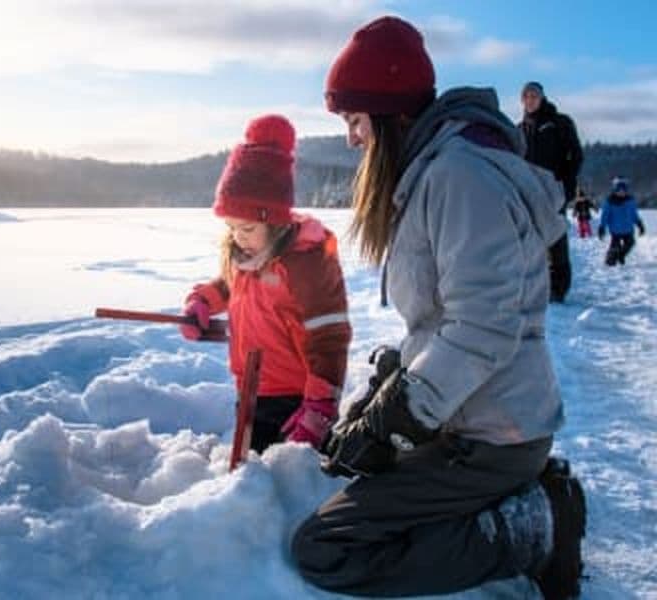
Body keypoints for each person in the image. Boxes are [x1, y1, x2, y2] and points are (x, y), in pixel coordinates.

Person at [290, 16, 586, 600]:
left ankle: (537, 528)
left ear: (391, 115)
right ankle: (514, 500)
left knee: (328, 548)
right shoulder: (432, 173)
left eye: (354, 120)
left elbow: (483, 325)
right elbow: (445, 319)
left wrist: (399, 415)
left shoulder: (458, 176)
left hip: (493, 436)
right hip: (468, 418)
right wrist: (391, 383)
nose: (351, 138)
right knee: (349, 468)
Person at [180, 114, 352, 454]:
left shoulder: (306, 264)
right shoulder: (247, 258)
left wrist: (319, 408)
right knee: (248, 477)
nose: (237, 238)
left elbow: (329, 338)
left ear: (274, 222)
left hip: (296, 400)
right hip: (250, 389)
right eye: (231, 228)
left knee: (289, 483)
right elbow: (230, 287)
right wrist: (202, 302)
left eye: (246, 229)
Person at [519, 81, 584, 303]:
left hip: (554, 190)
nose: (530, 100)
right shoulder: (519, 129)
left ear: (542, 98)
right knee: (530, 240)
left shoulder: (560, 123)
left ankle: (558, 289)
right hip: (528, 192)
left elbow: (575, 156)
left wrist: (565, 184)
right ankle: (534, 285)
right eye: (526, 96)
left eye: (534, 96)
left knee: (556, 238)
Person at [598, 176, 646, 266]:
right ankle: (610, 260)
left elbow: (634, 214)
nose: (621, 192)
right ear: (615, 190)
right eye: (618, 190)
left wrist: (640, 224)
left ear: (626, 190)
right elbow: (605, 216)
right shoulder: (610, 201)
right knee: (614, 248)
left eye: (623, 190)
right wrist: (602, 227)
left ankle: (621, 255)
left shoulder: (630, 201)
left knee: (630, 243)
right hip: (615, 230)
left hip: (628, 230)